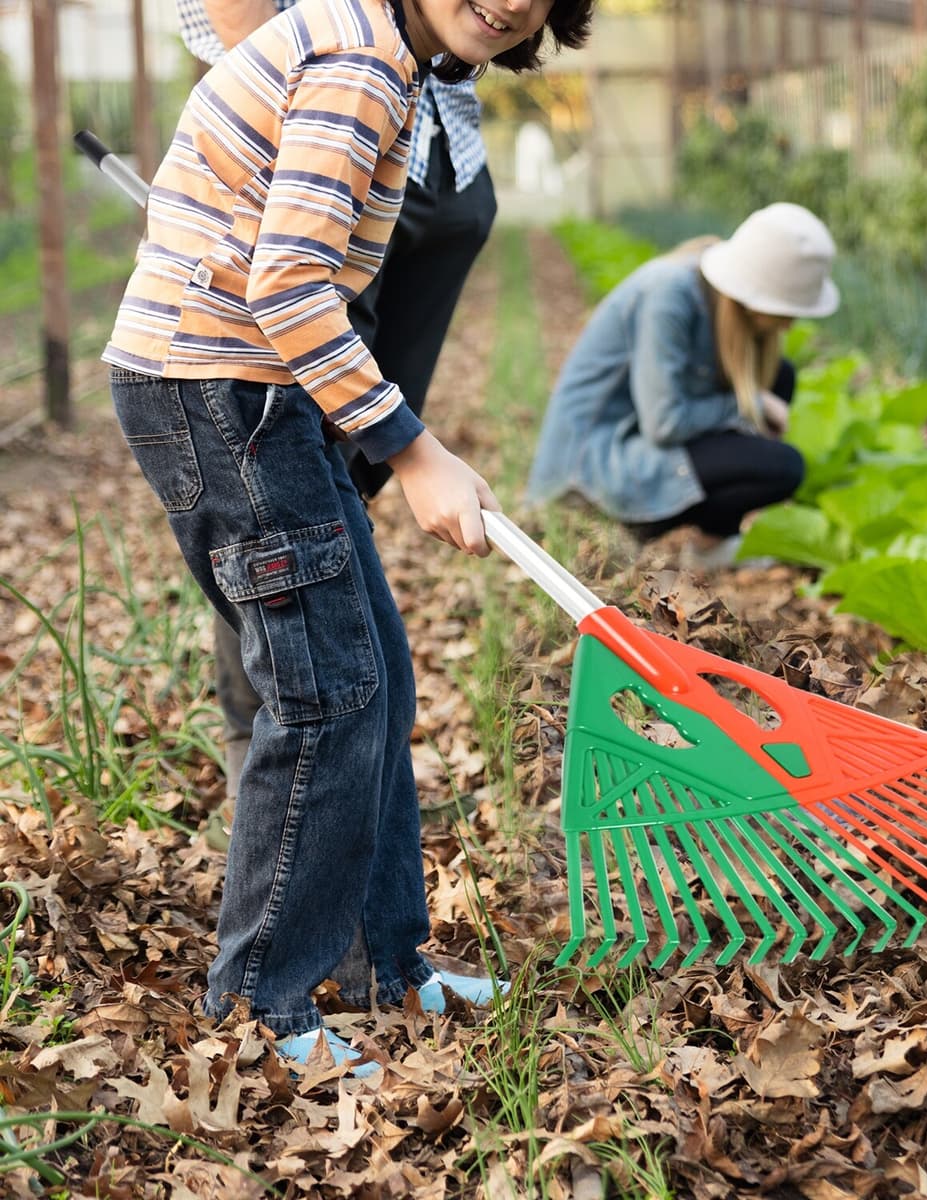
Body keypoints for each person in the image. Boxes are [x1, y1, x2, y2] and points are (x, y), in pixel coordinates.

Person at [102, 0, 594, 1077]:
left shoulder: (393, 59)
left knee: (375, 678)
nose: (510, 0)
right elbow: (287, 282)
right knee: (326, 695)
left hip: (262, 392)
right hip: (220, 393)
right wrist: (413, 451)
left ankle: (387, 962)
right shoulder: (361, 62)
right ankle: (258, 1006)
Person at [175, 0, 499, 850]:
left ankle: (361, 824)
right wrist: (290, 92)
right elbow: (287, 286)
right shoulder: (346, 59)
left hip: (442, 137)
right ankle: (277, 750)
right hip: (328, 122)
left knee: (351, 478)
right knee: (288, 487)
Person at [527, 203, 840, 567]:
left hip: (640, 436)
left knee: (781, 376)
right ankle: (618, 524)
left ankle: (714, 542)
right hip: (592, 468)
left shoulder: (714, 291)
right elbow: (665, 423)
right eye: (785, 312)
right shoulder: (669, 295)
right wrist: (750, 403)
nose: (789, 325)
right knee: (784, 466)